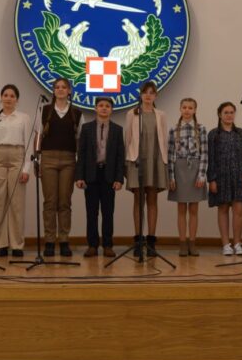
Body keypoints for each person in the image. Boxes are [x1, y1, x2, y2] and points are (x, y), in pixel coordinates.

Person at [0, 84, 32, 258]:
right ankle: (1, 244)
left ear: (16, 99)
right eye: (5, 95)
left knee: (17, 203)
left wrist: (26, 168)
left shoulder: (23, 118)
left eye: (12, 96)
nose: (8, 98)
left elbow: (28, 144)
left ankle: (17, 244)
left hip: (17, 156)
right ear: (1, 97)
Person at [37, 77, 84, 257]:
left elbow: (80, 140)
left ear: (69, 90)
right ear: (53, 90)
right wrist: (36, 161)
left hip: (68, 160)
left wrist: (79, 165)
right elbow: (38, 137)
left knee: (64, 202)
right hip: (47, 159)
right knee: (50, 202)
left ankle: (64, 240)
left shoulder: (77, 114)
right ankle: (49, 241)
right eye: (57, 87)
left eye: (64, 87)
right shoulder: (44, 111)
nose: (61, 90)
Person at [75, 97, 125, 257]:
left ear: (111, 109)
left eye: (107, 106)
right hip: (91, 174)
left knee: (108, 212)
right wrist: (79, 176)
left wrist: (119, 178)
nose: (104, 108)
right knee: (91, 212)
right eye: (101, 106)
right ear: (95, 108)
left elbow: (120, 156)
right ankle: (92, 245)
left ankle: (108, 245)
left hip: (109, 175)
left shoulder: (117, 129)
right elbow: (81, 154)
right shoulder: (87, 128)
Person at [124, 81, 169, 256]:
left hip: (155, 160)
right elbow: (128, 139)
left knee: (152, 200)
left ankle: (151, 240)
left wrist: (164, 162)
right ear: (140, 95)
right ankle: (138, 239)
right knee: (138, 201)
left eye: (151, 93)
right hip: (136, 160)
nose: (148, 96)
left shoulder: (161, 115)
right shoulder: (132, 114)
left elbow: (163, 139)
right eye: (145, 92)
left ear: (155, 96)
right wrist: (126, 163)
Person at [207, 101, 242, 256]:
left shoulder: (241, 133)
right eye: (226, 112)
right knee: (223, 209)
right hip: (221, 177)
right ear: (220, 114)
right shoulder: (214, 134)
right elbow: (211, 158)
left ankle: (237, 243)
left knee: (238, 209)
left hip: (239, 177)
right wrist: (212, 179)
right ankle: (226, 244)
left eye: (231, 112)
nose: (229, 115)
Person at [167, 98, 208, 257]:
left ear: (195, 110)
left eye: (190, 108)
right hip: (179, 169)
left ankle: (192, 242)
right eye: (184, 107)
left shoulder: (201, 129)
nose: (187, 110)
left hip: (196, 169)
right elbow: (171, 155)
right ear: (180, 109)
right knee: (181, 208)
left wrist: (202, 175)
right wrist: (171, 177)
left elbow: (204, 153)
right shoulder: (174, 129)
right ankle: (182, 243)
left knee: (194, 209)